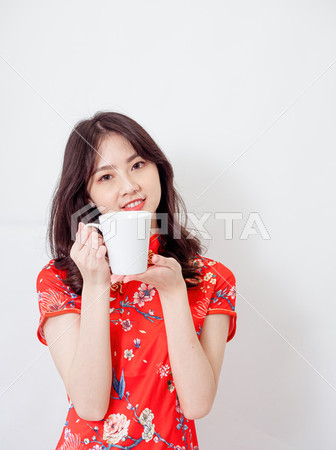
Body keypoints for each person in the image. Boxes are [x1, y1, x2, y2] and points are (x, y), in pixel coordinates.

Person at [36, 111, 237, 450]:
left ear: (159, 169)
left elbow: (198, 404)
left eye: (138, 165)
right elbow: (89, 405)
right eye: (105, 177)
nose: (129, 187)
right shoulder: (58, 280)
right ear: (86, 198)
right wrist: (97, 285)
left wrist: (173, 293)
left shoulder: (212, 278)